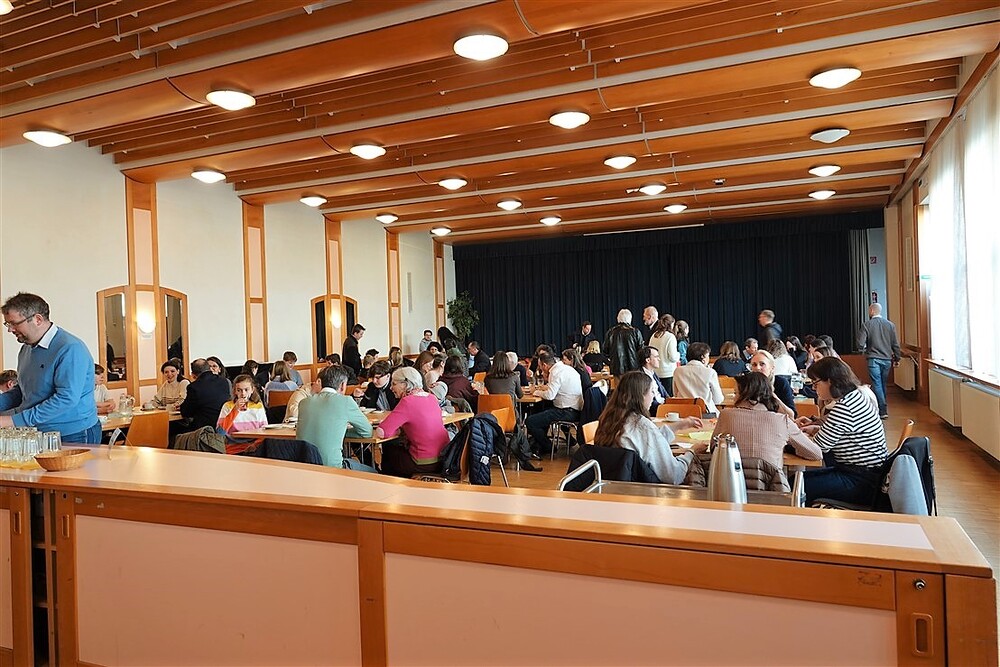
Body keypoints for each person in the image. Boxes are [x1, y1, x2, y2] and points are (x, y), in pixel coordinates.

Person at [0, 293, 101, 443]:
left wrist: (14, 421)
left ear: (37, 319)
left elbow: (66, 399)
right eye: (7, 324)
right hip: (39, 431)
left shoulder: (70, 348)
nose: (10, 330)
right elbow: (24, 390)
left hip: (74, 433)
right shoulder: (26, 349)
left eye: (14, 323)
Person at [801, 357, 889, 506]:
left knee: (796, 485)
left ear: (830, 381)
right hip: (870, 473)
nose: (814, 388)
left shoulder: (844, 408)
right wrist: (818, 429)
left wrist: (792, 437)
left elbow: (816, 449)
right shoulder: (856, 396)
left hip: (861, 481)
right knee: (800, 479)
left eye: (816, 383)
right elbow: (844, 434)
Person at [592, 371, 706, 484]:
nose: (653, 396)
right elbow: (674, 475)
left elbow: (648, 442)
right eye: (652, 391)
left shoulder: (608, 420)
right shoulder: (641, 425)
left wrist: (680, 425)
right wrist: (691, 452)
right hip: (642, 489)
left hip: (608, 486)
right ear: (641, 396)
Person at [711, 372, 821, 472]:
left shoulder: (725, 415)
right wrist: (786, 447)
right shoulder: (783, 421)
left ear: (746, 395)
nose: (734, 399)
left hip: (733, 484)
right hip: (772, 484)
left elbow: (713, 448)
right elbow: (816, 454)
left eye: (736, 394)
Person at [374, 367, 451, 478]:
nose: (391, 388)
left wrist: (398, 431)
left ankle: (386, 483)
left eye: (394, 384)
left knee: (390, 448)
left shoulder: (407, 401)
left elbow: (382, 432)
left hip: (424, 462)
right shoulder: (432, 398)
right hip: (443, 457)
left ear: (405, 384)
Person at [296, 365, 373, 467]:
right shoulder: (345, 401)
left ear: (321, 382)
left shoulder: (304, 402)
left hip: (305, 465)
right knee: (374, 472)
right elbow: (367, 432)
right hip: (332, 467)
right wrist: (340, 431)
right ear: (342, 385)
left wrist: (337, 431)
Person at [525, 351, 583, 455]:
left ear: (544, 365)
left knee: (530, 421)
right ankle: (539, 444)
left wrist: (536, 392)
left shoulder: (555, 373)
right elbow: (557, 387)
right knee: (543, 409)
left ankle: (548, 446)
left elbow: (550, 395)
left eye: (540, 366)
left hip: (566, 411)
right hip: (576, 408)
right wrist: (543, 388)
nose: (540, 369)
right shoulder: (567, 369)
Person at [857, 302, 902, 419]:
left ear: (872, 311)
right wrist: (897, 358)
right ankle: (882, 408)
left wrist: (864, 350)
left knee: (877, 384)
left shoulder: (867, 325)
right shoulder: (890, 325)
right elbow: (895, 344)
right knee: (882, 384)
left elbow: (860, 344)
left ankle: (882, 410)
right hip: (887, 359)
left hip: (873, 359)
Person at [216, 374, 268, 454]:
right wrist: (235, 410)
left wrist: (255, 445)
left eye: (246, 390)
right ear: (234, 391)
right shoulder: (227, 406)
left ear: (252, 390)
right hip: (233, 447)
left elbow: (264, 431)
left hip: (254, 447)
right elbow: (220, 432)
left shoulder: (258, 406)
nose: (243, 394)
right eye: (239, 390)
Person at [180, 358, 232, 431]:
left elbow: (186, 412)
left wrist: (182, 406)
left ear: (193, 374)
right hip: (224, 426)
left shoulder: (194, 387)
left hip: (203, 429)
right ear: (209, 368)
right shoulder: (224, 381)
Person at [672, 342, 724, 414]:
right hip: (705, 413)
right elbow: (718, 399)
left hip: (683, 412)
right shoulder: (710, 372)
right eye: (708, 356)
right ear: (703, 357)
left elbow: (675, 394)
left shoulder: (678, 371)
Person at [749, 350, 797, 418]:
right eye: (754, 365)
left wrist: (771, 395)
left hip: (777, 422)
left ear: (772, 368)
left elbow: (791, 416)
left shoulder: (781, 383)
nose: (758, 368)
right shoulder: (747, 384)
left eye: (762, 364)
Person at [603, 308, 643, 376]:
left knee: (618, 383)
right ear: (630, 319)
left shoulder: (611, 332)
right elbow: (641, 351)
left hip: (617, 370)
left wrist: (611, 363)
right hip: (633, 369)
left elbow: (605, 351)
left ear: (618, 318)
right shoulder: (635, 332)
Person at [648, 314, 680, 395]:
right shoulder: (670, 337)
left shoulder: (654, 335)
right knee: (669, 398)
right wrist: (678, 355)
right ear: (671, 324)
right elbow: (673, 357)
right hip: (668, 373)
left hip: (655, 372)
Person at [637, 346, 668, 414]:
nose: (659, 359)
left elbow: (664, 393)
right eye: (656, 357)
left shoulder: (653, 374)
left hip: (663, 405)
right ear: (648, 360)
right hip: (654, 410)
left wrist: (670, 401)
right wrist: (663, 407)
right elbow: (645, 402)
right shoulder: (639, 377)